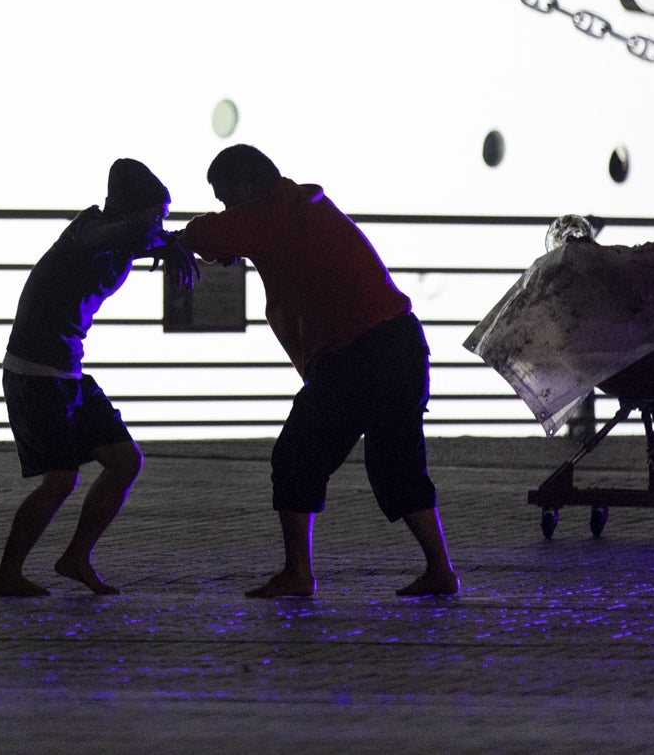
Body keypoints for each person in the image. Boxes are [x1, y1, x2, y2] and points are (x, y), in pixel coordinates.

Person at [181, 144, 460, 599]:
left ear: (246, 188)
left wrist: (180, 240)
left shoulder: (269, 213)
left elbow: (205, 233)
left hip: (357, 354)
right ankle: (440, 570)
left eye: (226, 197)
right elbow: (234, 237)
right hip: (402, 342)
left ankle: (298, 573)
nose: (226, 208)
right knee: (399, 466)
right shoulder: (301, 205)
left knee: (296, 456)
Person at [0, 158, 196, 597]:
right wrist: (159, 239)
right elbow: (119, 237)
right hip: (34, 373)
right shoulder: (86, 232)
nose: (159, 224)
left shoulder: (126, 237)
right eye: (155, 215)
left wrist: (204, 242)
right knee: (61, 479)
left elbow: (152, 238)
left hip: (68, 371)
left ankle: (76, 557)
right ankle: (8, 573)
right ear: (128, 208)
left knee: (125, 461)